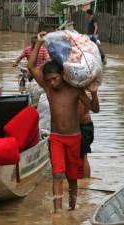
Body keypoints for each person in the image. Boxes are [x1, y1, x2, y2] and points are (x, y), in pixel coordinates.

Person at [27, 32, 99, 214]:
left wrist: (95, 93)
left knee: (72, 177)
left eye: (55, 78)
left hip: (74, 138)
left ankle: (72, 209)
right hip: (56, 138)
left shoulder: (75, 90)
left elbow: (95, 109)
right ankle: (58, 213)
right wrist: (39, 44)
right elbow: (30, 65)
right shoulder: (49, 90)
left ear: (62, 74)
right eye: (49, 80)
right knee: (58, 174)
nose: (52, 82)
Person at [78, 91, 99, 178]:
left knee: (83, 156)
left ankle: (85, 182)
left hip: (83, 127)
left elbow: (93, 109)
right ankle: (84, 181)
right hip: (82, 127)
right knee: (82, 156)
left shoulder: (82, 92)